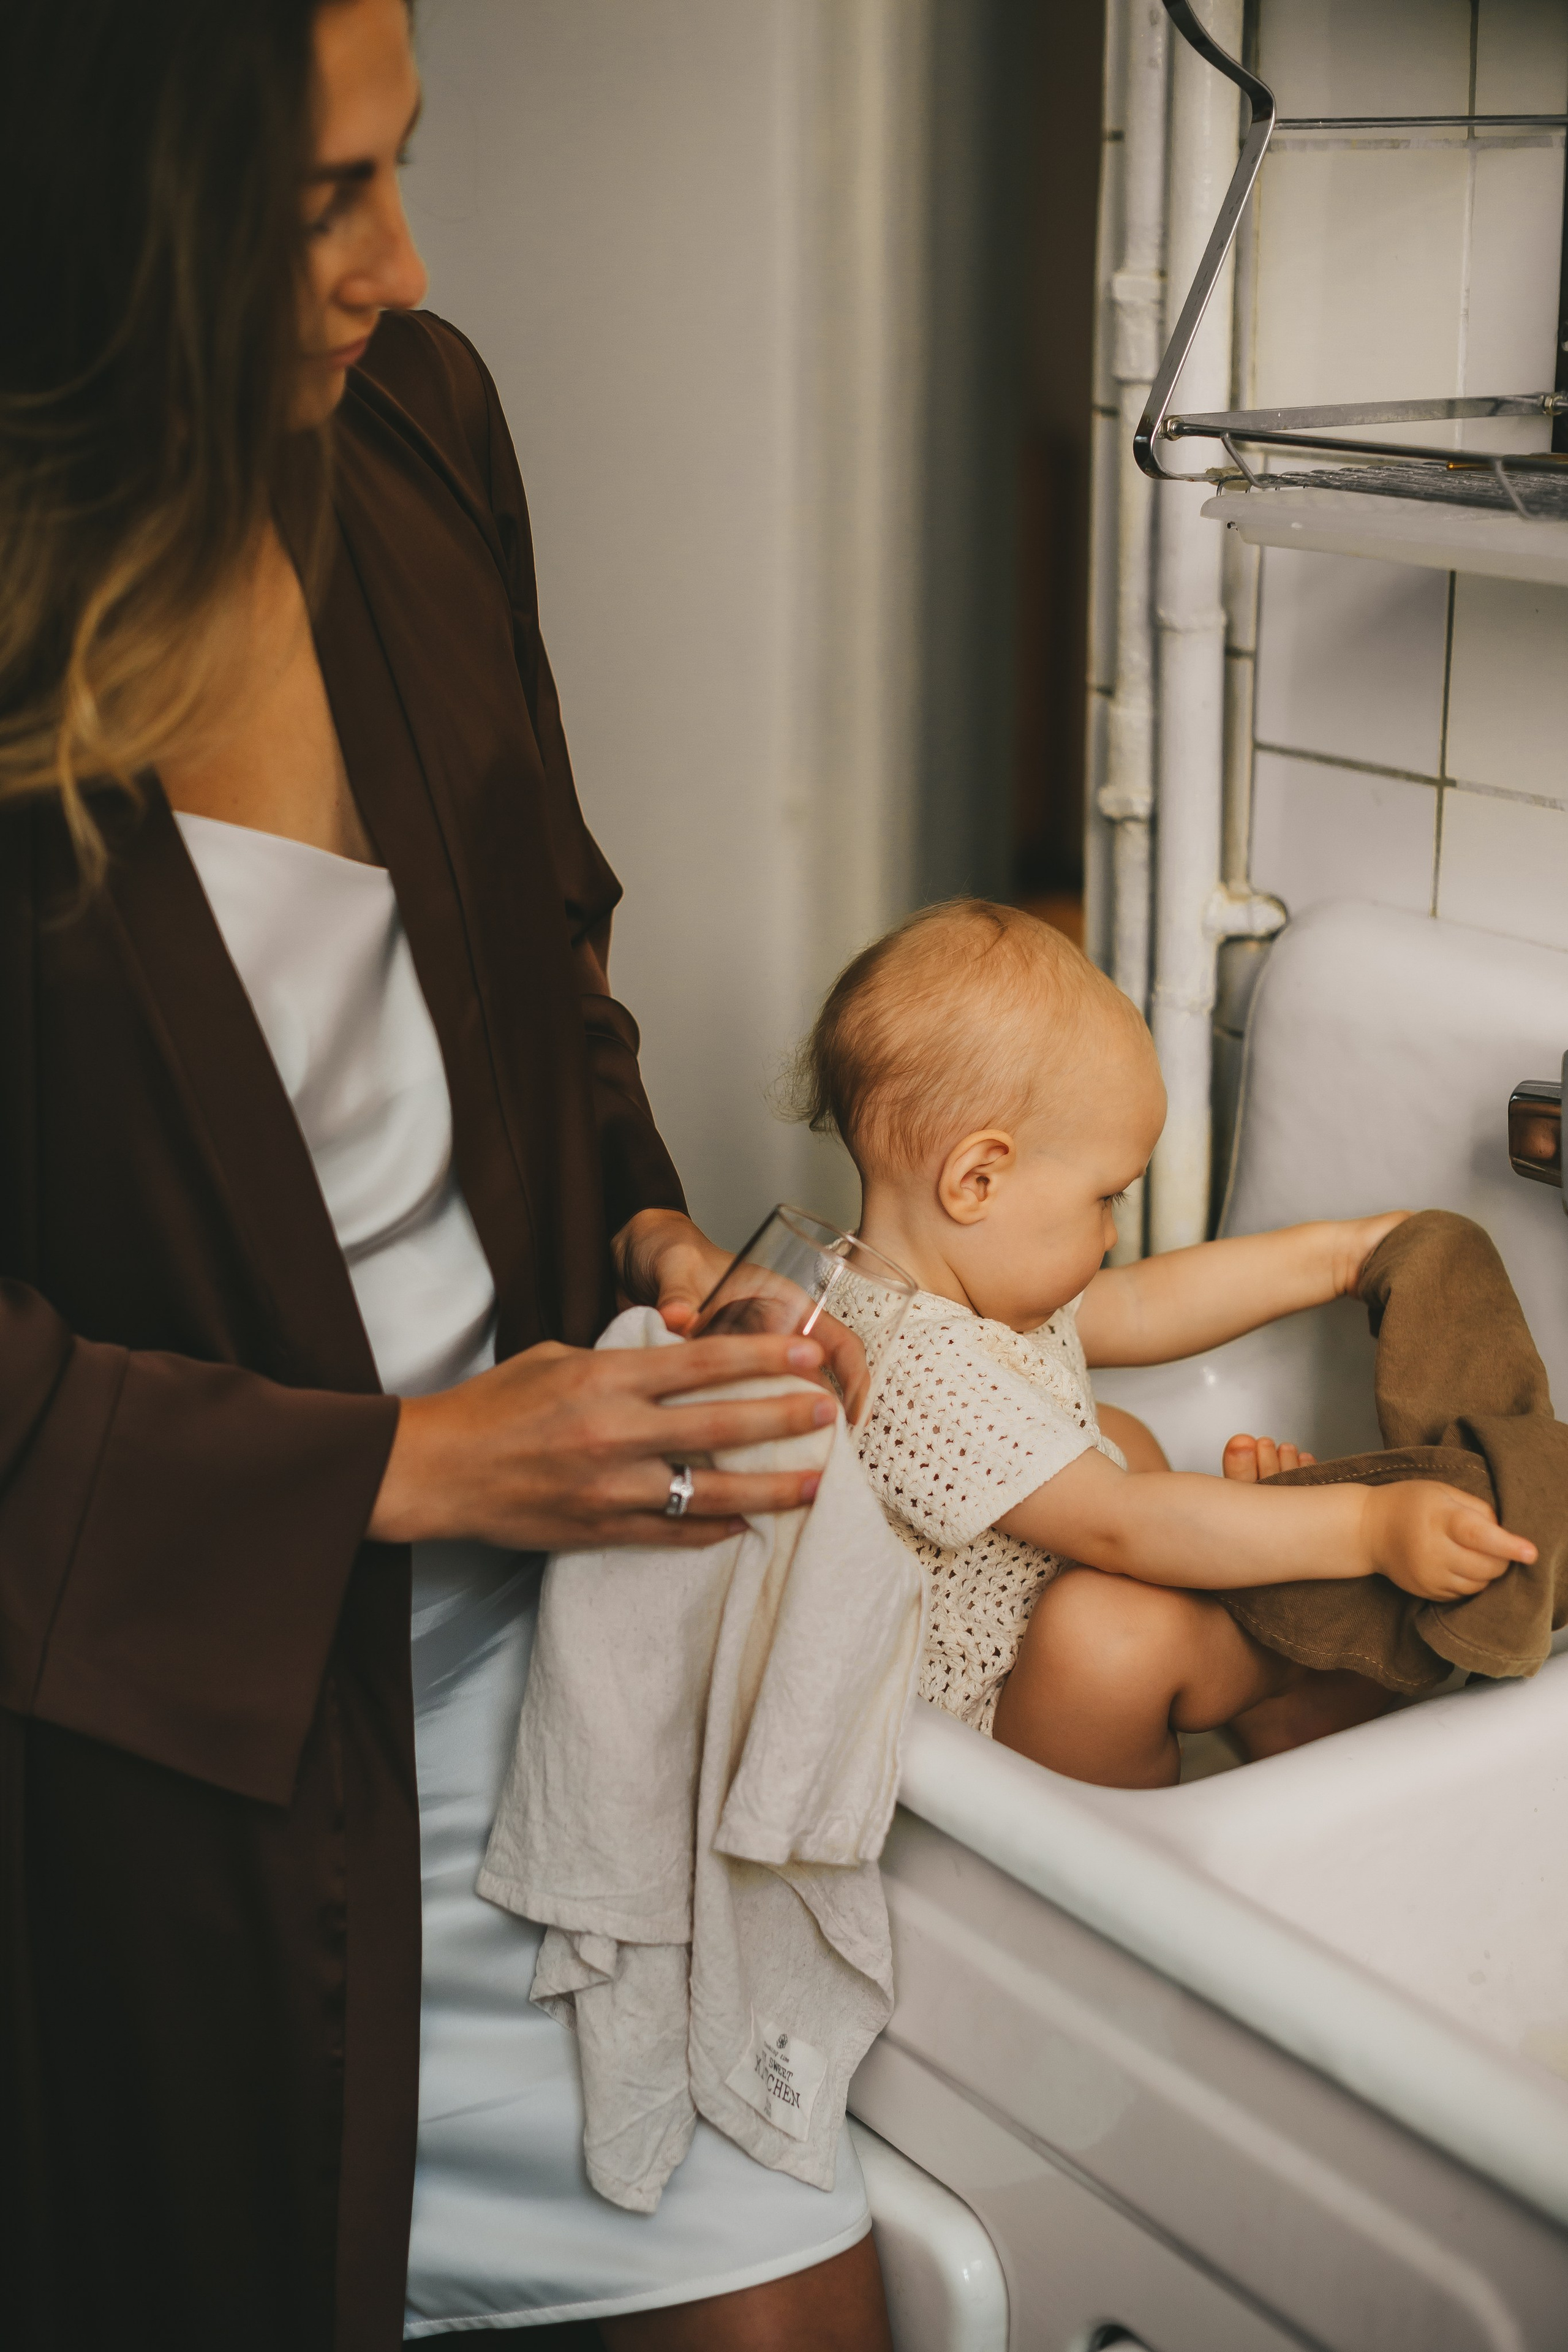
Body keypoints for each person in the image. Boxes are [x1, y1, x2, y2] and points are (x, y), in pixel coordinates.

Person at [0, 2, 892, 2346]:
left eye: (403, 163)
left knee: (797, 2301)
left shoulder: (417, 424)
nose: (399, 260)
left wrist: (650, 1228)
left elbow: (540, 950)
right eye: (318, 199)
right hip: (158, 1741)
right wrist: (398, 1468)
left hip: (528, 1669)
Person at [793, 900, 1535, 1789]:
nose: (1111, 1236)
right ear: (978, 1180)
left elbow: (1143, 1306)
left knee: (1127, 1441)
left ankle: (1275, 1699)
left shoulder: (953, 1286)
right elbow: (1122, 1526)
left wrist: (1337, 1256)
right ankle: (1289, 1672)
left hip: (1019, 1635)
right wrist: (1372, 1529)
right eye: (1106, 1198)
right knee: (1106, 1632)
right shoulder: (915, 1367)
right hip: (981, 1741)